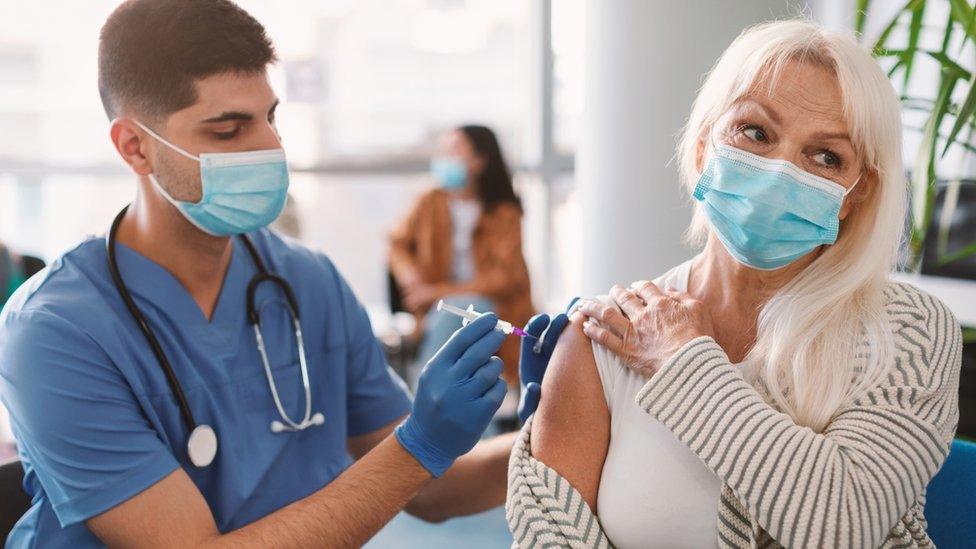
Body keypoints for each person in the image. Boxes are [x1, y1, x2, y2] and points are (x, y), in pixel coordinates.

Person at [0, 2, 568, 547]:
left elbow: (435, 489)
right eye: (228, 131)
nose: (270, 147)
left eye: (270, 118)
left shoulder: (307, 282)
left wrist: (573, 413)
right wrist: (417, 446)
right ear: (135, 147)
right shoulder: (54, 331)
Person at [507, 20, 963, 548]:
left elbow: (845, 524)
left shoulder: (907, 329)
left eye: (825, 156)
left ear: (857, 194)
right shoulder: (604, 336)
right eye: (756, 132)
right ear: (704, 149)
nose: (778, 172)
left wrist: (683, 360)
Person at [389, 126, 534, 385]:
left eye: (454, 151)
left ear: (479, 161)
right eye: (443, 151)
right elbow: (397, 245)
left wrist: (437, 293)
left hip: (493, 308)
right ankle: (443, 406)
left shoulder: (505, 213)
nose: (444, 158)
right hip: (434, 309)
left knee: (456, 316)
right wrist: (408, 272)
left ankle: (425, 393)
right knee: (452, 332)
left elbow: (502, 279)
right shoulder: (429, 202)